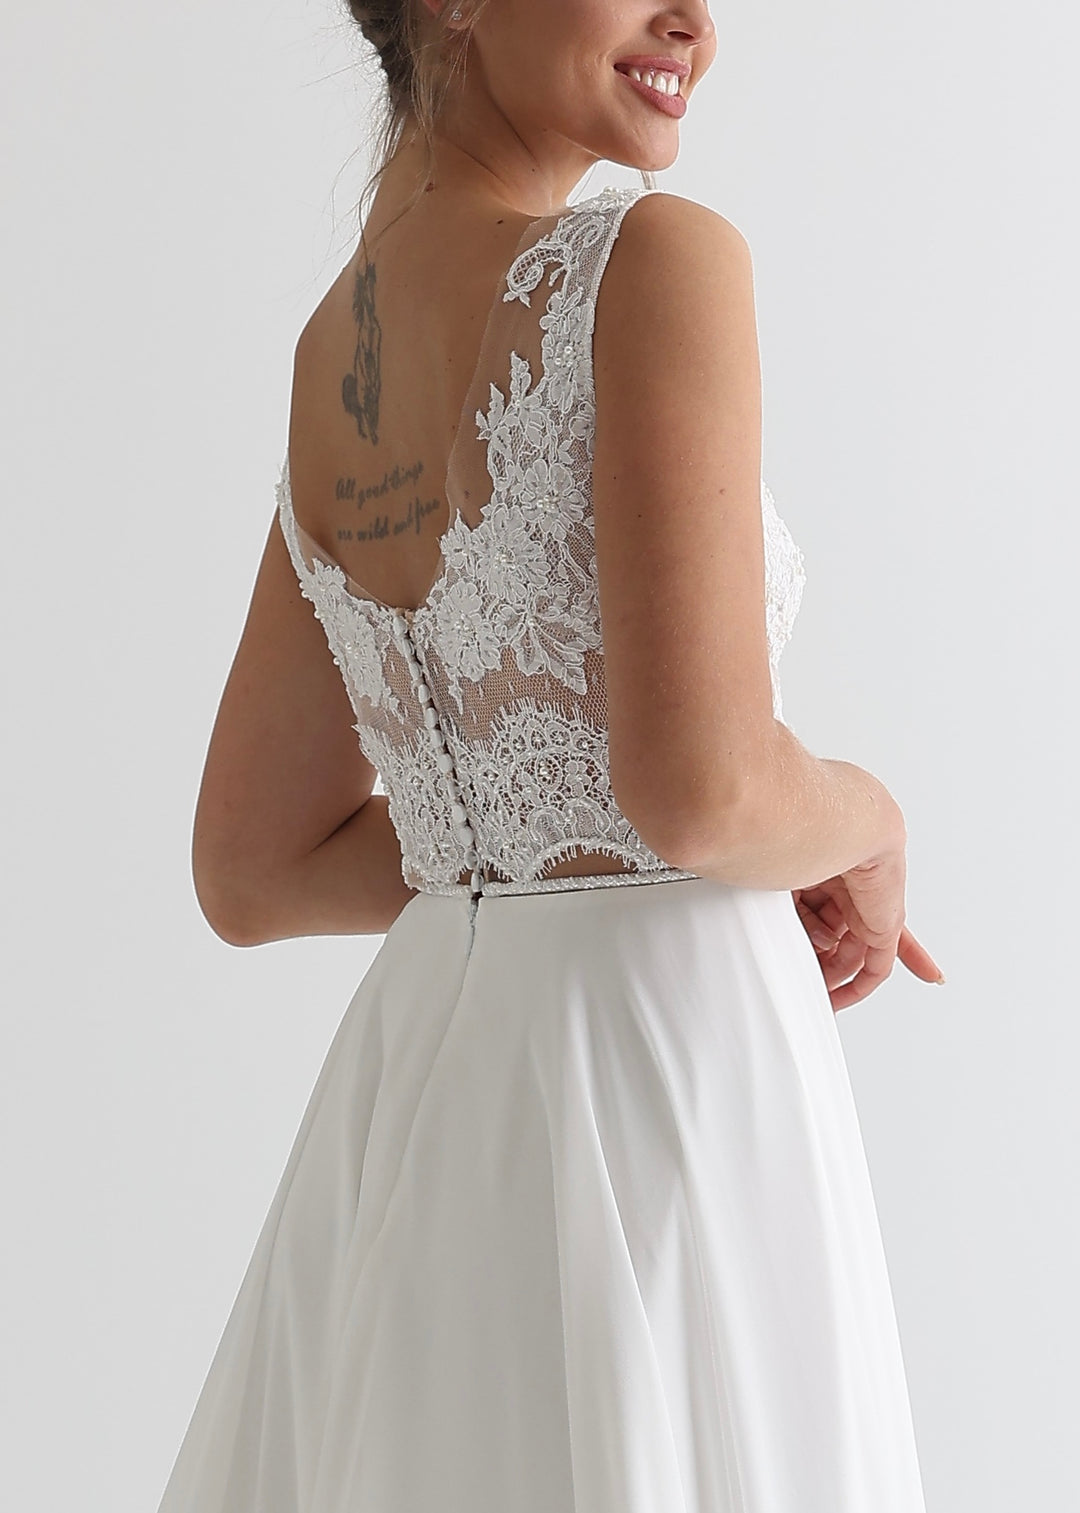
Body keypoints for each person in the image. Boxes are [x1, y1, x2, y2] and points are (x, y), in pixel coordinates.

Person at [157, 1, 944, 1509]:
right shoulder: (655, 259)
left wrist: (520, 839)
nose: (694, 21)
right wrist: (862, 812)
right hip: (662, 1069)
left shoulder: (337, 353)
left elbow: (251, 865)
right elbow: (702, 785)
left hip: (435, 1092)